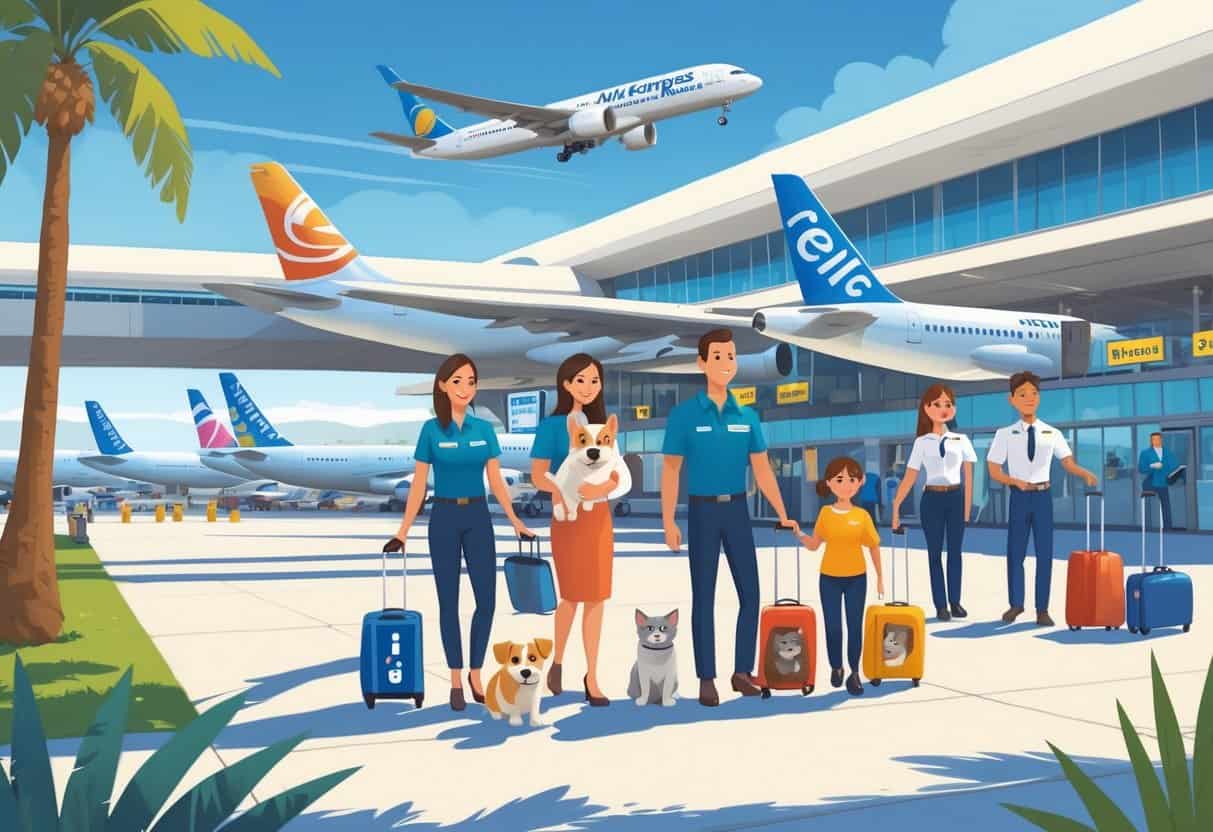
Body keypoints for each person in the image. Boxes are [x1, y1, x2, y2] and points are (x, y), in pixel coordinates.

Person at [382, 354, 534, 711]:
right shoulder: (432, 430)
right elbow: (419, 483)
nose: (465, 388)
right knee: (448, 603)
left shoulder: (484, 431)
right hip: (444, 519)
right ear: (442, 386)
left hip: (479, 517)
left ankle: (476, 674)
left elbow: (496, 479)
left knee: (487, 602)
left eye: (471, 381)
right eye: (457, 381)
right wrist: (403, 531)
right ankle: (454, 679)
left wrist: (514, 519)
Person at [661, 328, 799, 707]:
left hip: (737, 510)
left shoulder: (748, 416)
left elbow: (763, 470)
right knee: (703, 596)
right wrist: (668, 521)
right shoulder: (685, 415)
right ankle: (707, 677)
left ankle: (741, 672)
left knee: (750, 594)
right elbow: (671, 469)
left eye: (731, 357)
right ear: (702, 362)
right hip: (702, 511)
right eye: (718, 356)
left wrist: (783, 512)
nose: (726, 364)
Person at [530, 353, 620, 706]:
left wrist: (602, 489)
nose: (588, 387)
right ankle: (558, 661)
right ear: (565, 384)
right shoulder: (553, 427)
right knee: (570, 596)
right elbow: (538, 475)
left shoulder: (603, 427)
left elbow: (618, 474)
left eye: (594, 380)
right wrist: (563, 489)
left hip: (598, 518)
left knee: (597, 597)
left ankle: (592, 676)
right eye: (580, 380)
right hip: (567, 518)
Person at [986, 371, 1097, 627]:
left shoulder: (1052, 433)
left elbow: (1067, 462)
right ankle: (1016, 604)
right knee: (1015, 553)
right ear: (1011, 399)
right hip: (1019, 497)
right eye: (1023, 394)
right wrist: (1014, 481)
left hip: (1043, 497)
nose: (1029, 399)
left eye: (1034, 394)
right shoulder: (1004, 434)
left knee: (1045, 554)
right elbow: (994, 470)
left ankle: (1042, 609)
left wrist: (1084, 473)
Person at [799, 456, 885, 696]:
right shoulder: (825, 513)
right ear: (829, 483)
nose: (846, 484)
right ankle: (836, 666)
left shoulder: (862, 516)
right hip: (829, 578)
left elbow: (874, 546)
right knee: (834, 626)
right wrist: (799, 534)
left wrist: (880, 577)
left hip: (857, 578)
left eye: (851, 479)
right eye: (840, 479)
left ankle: (854, 672)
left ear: (860, 482)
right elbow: (815, 545)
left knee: (854, 626)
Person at [891, 383, 975, 622]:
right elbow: (910, 477)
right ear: (926, 408)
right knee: (935, 554)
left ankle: (955, 602)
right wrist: (896, 507)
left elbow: (969, 475)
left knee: (955, 553)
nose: (943, 409)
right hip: (932, 500)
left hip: (956, 497)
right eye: (937, 404)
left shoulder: (961, 439)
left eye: (948, 404)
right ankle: (941, 605)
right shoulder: (922, 442)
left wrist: (967, 510)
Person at [1138, 432, 1177, 530]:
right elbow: (1141, 468)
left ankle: (1168, 528)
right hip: (1150, 483)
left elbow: (1174, 467)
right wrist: (1152, 466)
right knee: (1148, 506)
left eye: (1157, 439)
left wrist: (1173, 476)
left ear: (1161, 440)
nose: (1155, 441)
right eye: (1153, 439)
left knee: (1166, 506)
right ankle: (1147, 527)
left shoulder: (1168, 452)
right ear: (1151, 441)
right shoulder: (1145, 453)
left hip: (1163, 483)